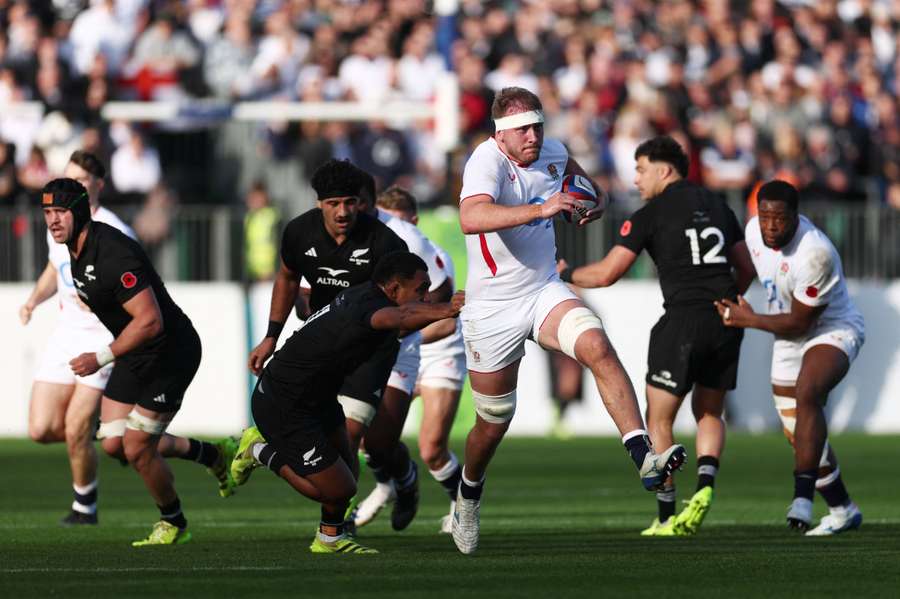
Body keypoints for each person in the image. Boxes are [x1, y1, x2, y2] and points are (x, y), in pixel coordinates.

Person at [453, 86, 685, 554]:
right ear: (501, 134)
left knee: (597, 345)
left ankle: (643, 456)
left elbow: (594, 195)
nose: (533, 136)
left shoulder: (554, 153)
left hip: (543, 289)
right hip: (492, 306)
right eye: (523, 129)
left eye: (538, 126)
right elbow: (470, 217)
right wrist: (543, 208)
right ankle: (468, 495)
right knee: (492, 423)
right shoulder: (485, 160)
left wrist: (590, 207)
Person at [565, 136, 755, 536]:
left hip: (682, 321)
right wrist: (729, 301)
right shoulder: (718, 205)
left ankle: (667, 516)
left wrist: (564, 273)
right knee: (710, 412)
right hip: (725, 321)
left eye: (641, 169)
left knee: (658, 418)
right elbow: (747, 267)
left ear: (664, 170)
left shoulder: (651, 214)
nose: (636, 179)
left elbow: (607, 274)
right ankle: (705, 487)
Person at [39, 177, 236, 546]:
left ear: (79, 212)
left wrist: (100, 357)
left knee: (137, 448)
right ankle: (212, 454)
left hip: (170, 352)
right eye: (48, 212)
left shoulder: (113, 253)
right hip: (137, 352)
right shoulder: (76, 251)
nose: (52, 220)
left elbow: (150, 321)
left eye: (60, 211)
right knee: (113, 443)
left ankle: (173, 521)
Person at [230, 252, 465, 554]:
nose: (426, 297)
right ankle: (260, 451)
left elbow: (405, 317)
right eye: (421, 289)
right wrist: (447, 308)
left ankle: (329, 538)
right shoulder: (371, 308)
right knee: (340, 489)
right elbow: (403, 317)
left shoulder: (373, 297)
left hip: (317, 396)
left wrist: (444, 313)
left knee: (348, 471)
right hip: (284, 402)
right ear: (394, 289)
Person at [714, 180, 864, 536]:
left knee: (807, 391)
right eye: (765, 216)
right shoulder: (754, 230)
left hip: (831, 329)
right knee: (797, 431)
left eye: (779, 218)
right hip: (785, 332)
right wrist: (728, 299)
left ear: (797, 217)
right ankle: (843, 509)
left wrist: (748, 319)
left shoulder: (814, 253)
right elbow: (748, 268)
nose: (770, 226)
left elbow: (801, 323)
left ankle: (802, 497)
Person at [247, 159, 408, 486]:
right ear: (319, 203)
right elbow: (287, 278)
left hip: (370, 351)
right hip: (323, 344)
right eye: (334, 203)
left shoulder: (385, 243)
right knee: (327, 439)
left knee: (350, 435)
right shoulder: (298, 232)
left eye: (350, 202)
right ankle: (266, 454)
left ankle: (339, 510)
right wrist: (271, 336)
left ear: (360, 202)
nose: (343, 212)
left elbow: (406, 301)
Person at [20, 150, 134, 525]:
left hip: (101, 337)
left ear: (97, 186)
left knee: (74, 427)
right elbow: (55, 269)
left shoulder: (114, 231)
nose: (73, 187)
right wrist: (33, 301)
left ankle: (85, 507)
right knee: (40, 428)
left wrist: (103, 300)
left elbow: (135, 287)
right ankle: (107, 433)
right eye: (69, 178)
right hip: (65, 335)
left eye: (81, 181)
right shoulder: (58, 221)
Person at [353, 185, 464, 534]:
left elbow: (446, 322)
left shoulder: (431, 258)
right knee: (368, 437)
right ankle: (389, 485)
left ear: (413, 222)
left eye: (400, 221)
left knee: (431, 448)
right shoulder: (375, 257)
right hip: (398, 347)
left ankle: (462, 503)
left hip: (437, 352)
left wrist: (397, 333)